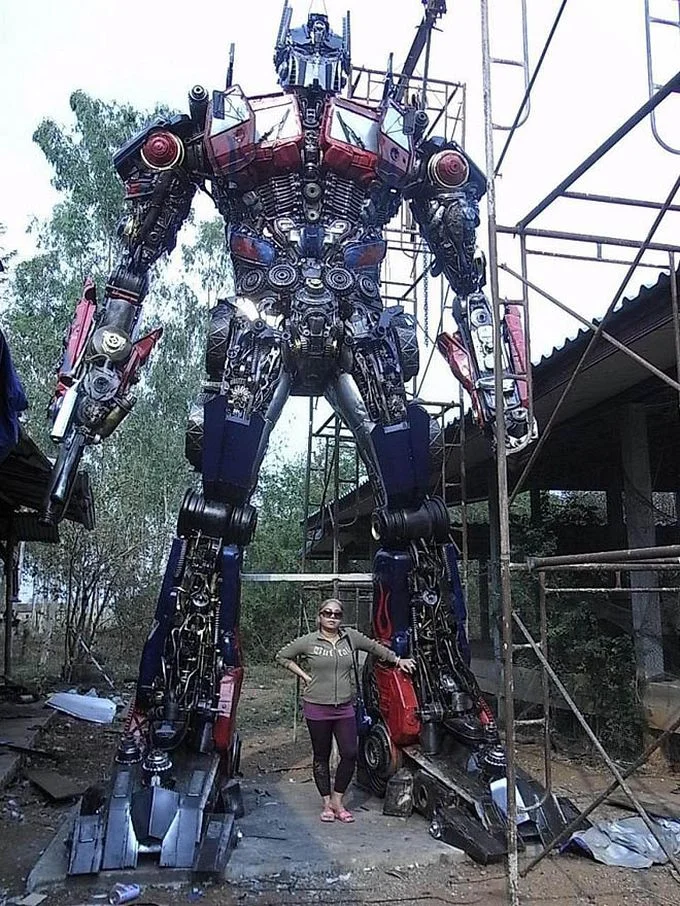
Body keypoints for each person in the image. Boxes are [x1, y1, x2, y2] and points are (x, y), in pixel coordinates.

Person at [276, 598, 416, 823]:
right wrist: (305, 676)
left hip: (344, 707)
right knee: (321, 756)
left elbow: (375, 647)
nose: (332, 617)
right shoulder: (310, 641)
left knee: (350, 753)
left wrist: (397, 660)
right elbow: (282, 656)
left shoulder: (350, 638)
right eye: (327, 613)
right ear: (320, 616)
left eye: (337, 614)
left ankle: (338, 800)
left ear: (341, 618)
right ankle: (326, 804)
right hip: (317, 707)